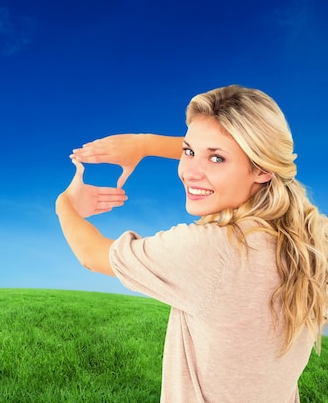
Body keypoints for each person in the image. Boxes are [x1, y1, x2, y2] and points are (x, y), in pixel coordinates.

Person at [55, 84, 327, 403]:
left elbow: (92, 255)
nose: (189, 172)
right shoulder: (310, 233)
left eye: (216, 158)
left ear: (262, 169)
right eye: (188, 152)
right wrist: (145, 145)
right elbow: (238, 151)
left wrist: (66, 204)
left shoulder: (214, 249)